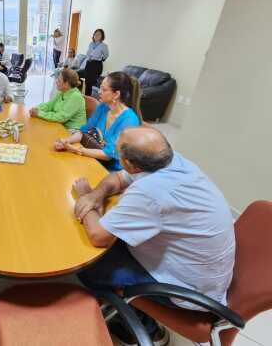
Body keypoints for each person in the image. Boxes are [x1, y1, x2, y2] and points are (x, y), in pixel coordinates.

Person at [72, 127, 235, 345]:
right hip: (203, 273)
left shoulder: (151, 192)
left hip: (186, 290)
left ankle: (142, 327)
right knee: (116, 236)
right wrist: (96, 195)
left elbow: (97, 236)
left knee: (88, 261)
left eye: (118, 151)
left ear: (130, 163)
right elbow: (118, 178)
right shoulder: (172, 161)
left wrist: (84, 196)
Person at [54, 72, 140, 171]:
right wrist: (67, 141)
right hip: (93, 158)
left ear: (116, 94)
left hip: (110, 170)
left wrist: (76, 150)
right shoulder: (103, 107)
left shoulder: (129, 120)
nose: (99, 92)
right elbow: (84, 131)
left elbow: (108, 155)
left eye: (103, 89)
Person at [78, 28, 109, 96]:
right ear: (93, 35)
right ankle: (78, 93)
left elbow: (106, 55)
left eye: (99, 34)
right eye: (95, 34)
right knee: (77, 74)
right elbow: (88, 53)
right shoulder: (91, 44)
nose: (96, 36)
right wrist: (89, 58)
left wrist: (101, 59)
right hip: (89, 64)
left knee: (89, 83)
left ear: (102, 36)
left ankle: (87, 99)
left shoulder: (104, 46)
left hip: (96, 65)